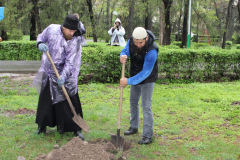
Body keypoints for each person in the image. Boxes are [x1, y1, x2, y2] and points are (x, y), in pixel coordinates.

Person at [33, 14, 86, 140]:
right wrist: (39, 43)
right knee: (46, 98)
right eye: (70, 30)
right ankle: (42, 125)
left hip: (67, 72)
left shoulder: (75, 38)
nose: (72, 33)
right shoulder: (51, 29)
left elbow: (70, 62)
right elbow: (41, 36)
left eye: (74, 31)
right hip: (49, 68)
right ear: (63, 27)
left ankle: (76, 128)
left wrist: (62, 76)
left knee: (71, 96)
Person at [119, 27, 158, 145]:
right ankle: (133, 127)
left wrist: (128, 81)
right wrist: (123, 55)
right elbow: (126, 50)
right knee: (133, 102)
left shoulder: (152, 50)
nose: (137, 45)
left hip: (148, 79)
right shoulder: (132, 41)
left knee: (146, 106)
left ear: (146, 38)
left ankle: (147, 135)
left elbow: (146, 72)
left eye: (140, 43)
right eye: (135, 42)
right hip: (134, 76)